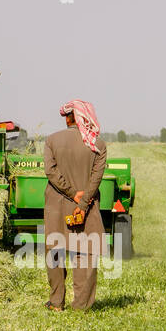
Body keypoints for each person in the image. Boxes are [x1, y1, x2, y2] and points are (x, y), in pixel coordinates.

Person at [43, 99, 106, 311]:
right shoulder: (98, 144)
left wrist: (71, 193)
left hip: (57, 206)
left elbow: (51, 172)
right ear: (84, 118)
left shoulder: (51, 140)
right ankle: (81, 306)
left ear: (68, 118)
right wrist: (83, 201)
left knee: (55, 251)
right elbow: (96, 178)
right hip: (86, 208)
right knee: (86, 254)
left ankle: (56, 303)